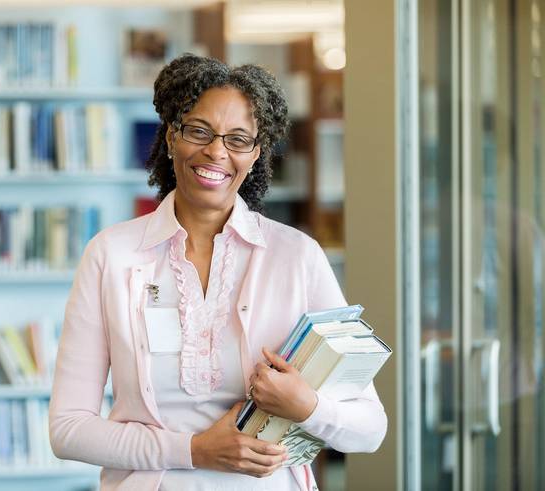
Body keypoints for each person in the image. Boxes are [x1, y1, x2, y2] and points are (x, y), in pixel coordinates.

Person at [49, 53, 387, 491]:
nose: (216, 151)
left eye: (238, 139)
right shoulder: (110, 255)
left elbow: (370, 429)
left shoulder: (297, 256)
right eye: (199, 131)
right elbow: (68, 429)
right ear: (172, 137)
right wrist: (194, 450)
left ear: (256, 154)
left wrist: (307, 406)